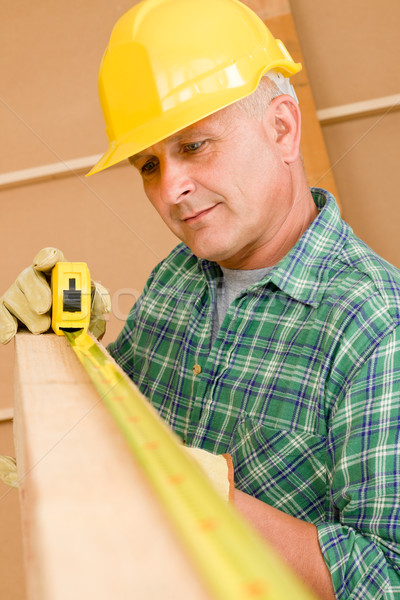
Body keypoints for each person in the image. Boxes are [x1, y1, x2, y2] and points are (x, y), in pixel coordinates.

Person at [1, 0, 399, 597]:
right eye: (147, 165)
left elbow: (387, 576)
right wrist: (64, 334)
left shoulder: (375, 330)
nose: (171, 191)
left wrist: (217, 499)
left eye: (194, 147)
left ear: (282, 128)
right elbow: (119, 422)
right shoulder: (177, 277)